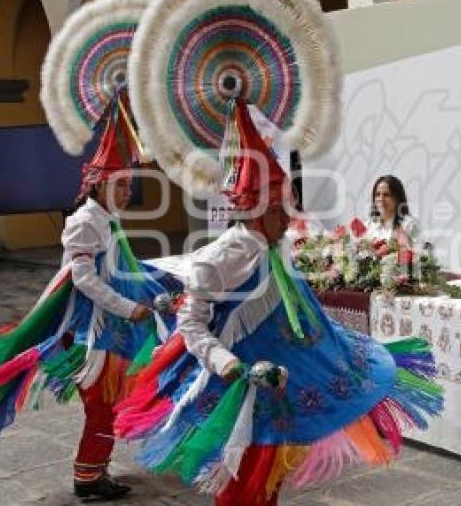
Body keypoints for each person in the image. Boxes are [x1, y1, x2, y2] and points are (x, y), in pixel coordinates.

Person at [114, 101, 442, 506]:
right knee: (240, 475)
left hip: (281, 376)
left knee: (269, 473)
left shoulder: (278, 243)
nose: (288, 218)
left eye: (287, 206)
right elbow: (192, 324)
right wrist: (229, 364)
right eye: (279, 209)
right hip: (241, 380)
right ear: (254, 211)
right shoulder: (220, 258)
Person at [0, 93, 178, 500]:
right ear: (99, 184)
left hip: (113, 328)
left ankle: (93, 471)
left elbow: (120, 270)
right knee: (102, 404)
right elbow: (84, 279)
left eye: (129, 185)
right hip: (92, 332)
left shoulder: (108, 220)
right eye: (120, 185)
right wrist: (128, 307)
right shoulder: (84, 222)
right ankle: (88, 478)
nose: (126, 192)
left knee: (112, 402)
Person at [366, 175, 420, 244]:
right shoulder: (368, 226)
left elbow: (422, 252)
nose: (381, 199)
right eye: (377, 194)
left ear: (397, 198)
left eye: (386, 195)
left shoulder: (410, 225)